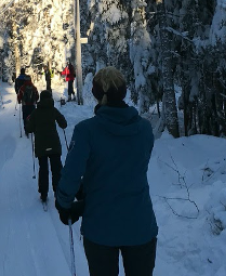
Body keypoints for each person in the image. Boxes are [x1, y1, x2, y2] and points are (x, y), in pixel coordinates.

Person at [56, 67, 158, 276]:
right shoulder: (145, 129)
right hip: (140, 224)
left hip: (100, 228)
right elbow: (130, 171)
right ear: (124, 91)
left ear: (95, 94)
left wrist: (65, 204)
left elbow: (71, 174)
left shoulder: (86, 131)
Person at [25, 89, 67, 204]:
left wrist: (28, 122)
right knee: (57, 169)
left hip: (41, 146)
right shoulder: (53, 110)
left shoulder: (36, 112)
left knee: (43, 170)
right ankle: (58, 192)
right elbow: (64, 124)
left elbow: (29, 129)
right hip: (54, 144)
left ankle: (43, 194)